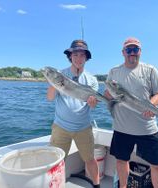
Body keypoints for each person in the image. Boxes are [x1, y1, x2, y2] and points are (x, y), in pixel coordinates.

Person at [105, 37, 158, 188]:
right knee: (121, 160)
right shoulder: (113, 71)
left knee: (156, 165)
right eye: (128, 50)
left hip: (146, 128)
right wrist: (98, 96)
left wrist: (151, 105)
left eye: (135, 49)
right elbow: (107, 94)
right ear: (123, 52)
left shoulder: (151, 70)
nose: (132, 53)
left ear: (140, 52)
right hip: (121, 127)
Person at [47, 39, 100, 187]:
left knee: (90, 159)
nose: (78, 58)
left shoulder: (92, 80)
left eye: (82, 55)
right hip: (61, 127)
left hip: (83, 127)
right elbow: (50, 98)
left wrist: (93, 102)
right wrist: (53, 82)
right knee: (57, 161)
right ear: (70, 56)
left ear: (86, 58)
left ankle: (97, 185)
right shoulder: (60, 75)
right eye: (75, 54)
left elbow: (93, 106)